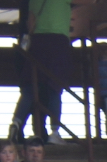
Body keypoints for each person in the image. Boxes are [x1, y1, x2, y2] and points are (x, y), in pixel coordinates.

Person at [25, 0, 72, 143]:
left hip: (38, 41)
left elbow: (30, 23)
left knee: (33, 87)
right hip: (58, 41)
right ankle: (55, 132)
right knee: (55, 88)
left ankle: (19, 124)